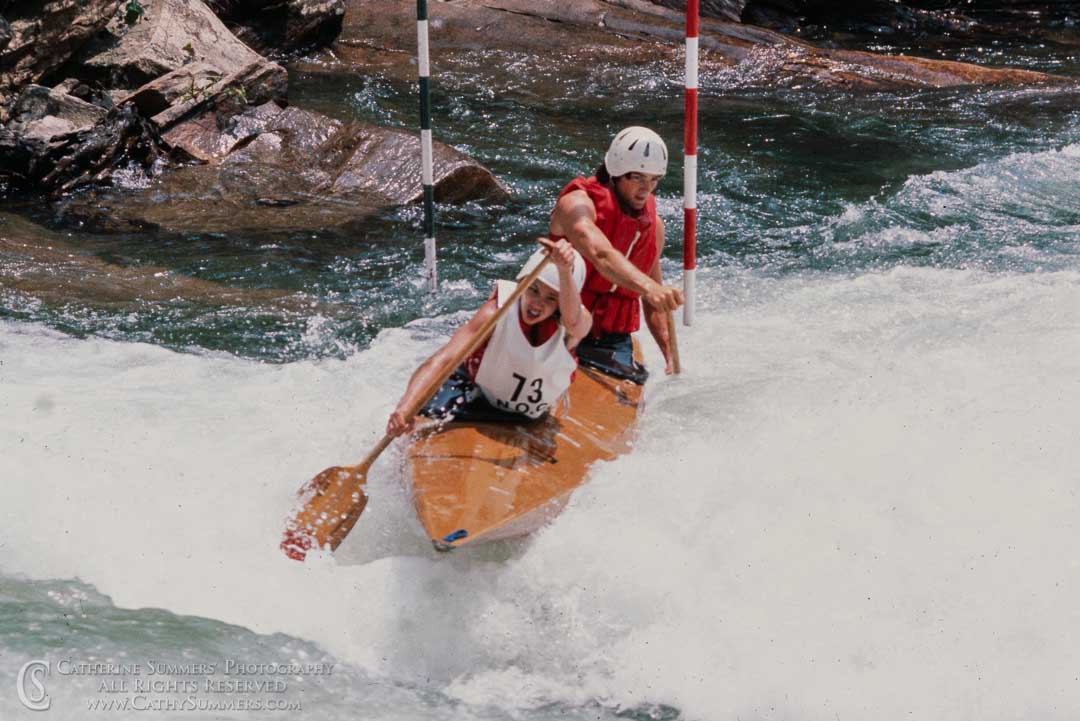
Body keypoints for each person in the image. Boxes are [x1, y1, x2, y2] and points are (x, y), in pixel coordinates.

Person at [386, 239, 591, 437]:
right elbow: (444, 359)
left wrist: (564, 271)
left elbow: (573, 321)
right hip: (477, 393)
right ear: (522, 283)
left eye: (551, 298)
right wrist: (405, 408)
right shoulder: (496, 312)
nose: (537, 303)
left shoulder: (573, 327)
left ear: (560, 305)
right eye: (533, 289)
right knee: (424, 410)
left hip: (525, 415)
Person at [548, 126, 685, 381]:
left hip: (610, 340)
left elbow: (653, 296)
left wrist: (668, 349)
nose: (646, 189)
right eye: (638, 177)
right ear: (616, 172)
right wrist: (649, 288)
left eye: (654, 179)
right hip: (554, 321)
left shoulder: (653, 227)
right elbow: (601, 255)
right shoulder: (576, 204)